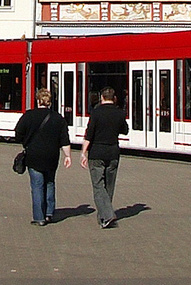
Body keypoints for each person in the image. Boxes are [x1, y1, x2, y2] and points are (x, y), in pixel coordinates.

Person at [12, 89, 71, 226]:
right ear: (50, 102)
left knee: (37, 186)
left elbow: (18, 134)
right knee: (50, 183)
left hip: (34, 156)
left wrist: (26, 142)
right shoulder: (58, 118)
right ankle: (49, 213)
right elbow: (65, 140)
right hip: (52, 156)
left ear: (38, 101)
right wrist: (67, 156)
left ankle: (39, 217)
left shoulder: (29, 116)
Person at [81, 86, 129, 228]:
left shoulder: (96, 113)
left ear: (101, 97)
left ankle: (107, 215)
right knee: (109, 185)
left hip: (96, 152)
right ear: (114, 98)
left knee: (98, 186)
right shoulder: (120, 113)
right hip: (113, 152)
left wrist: (83, 152)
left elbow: (89, 134)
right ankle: (104, 216)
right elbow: (125, 131)